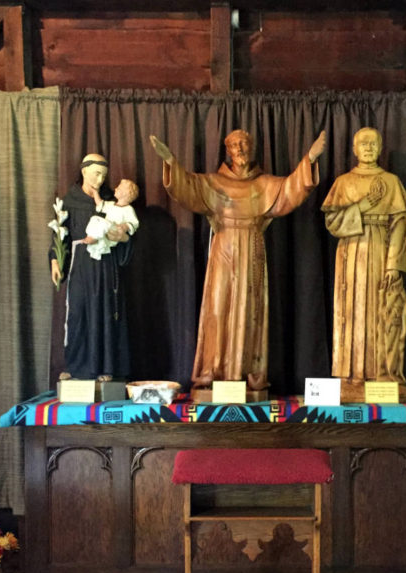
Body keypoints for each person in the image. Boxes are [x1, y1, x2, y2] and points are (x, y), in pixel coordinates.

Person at [150, 128, 326, 392]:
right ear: (227, 151)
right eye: (235, 145)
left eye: (245, 143)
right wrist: (171, 163)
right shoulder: (212, 183)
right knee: (218, 307)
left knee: (251, 310)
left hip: (253, 246)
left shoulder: (264, 184)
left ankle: (247, 371)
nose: (241, 149)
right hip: (224, 244)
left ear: (252, 148)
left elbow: (291, 189)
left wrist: (310, 159)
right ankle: (213, 369)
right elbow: (185, 186)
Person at [321, 127, 406, 392]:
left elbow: (400, 225)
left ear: (381, 147)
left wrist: (393, 264)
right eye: (363, 143)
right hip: (350, 253)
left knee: (380, 311)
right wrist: (361, 206)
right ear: (354, 149)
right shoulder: (343, 183)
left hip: (380, 250)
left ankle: (380, 373)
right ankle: (351, 375)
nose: (368, 148)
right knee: (351, 310)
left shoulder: (391, 182)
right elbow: (333, 222)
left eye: (373, 143)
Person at [49, 154, 133, 381]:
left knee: (105, 313)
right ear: (84, 171)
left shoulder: (109, 201)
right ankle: (76, 367)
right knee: (77, 313)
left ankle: (106, 368)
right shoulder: (68, 201)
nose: (100, 178)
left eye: (104, 175)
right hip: (80, 265)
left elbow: (127, 233)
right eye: (96, 173)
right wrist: (55, 261)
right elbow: (59, 236)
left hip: (105, 265)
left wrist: (123, 237)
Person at [84, 178, 140, 261]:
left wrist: (126, 226)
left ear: (125, 194)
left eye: (119, 188)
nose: (115, 189)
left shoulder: (128, 209)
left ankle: (94, 238)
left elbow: (134, 223)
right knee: (95, 219)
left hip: (115, 230)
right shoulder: (111, 204)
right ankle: (92, 237)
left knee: (102, 223)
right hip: (106, 229)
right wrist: (95, 192)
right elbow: (100, 203)